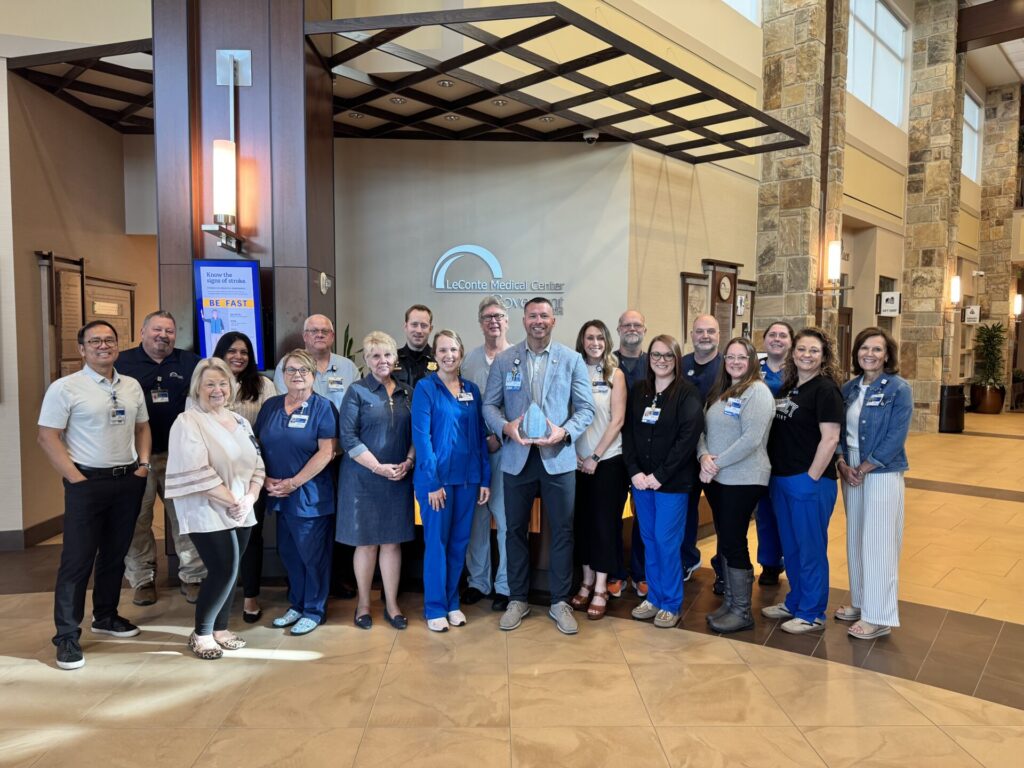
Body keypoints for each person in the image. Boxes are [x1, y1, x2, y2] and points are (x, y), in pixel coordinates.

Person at [38, 321, 151, 670]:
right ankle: (67, 636)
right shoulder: (66, 388)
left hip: (127, 479)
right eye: (95, 341)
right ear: (82, 349)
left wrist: (143, 465)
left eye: (109, 340)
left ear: (118, 346)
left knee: (115, 555)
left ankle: (106, 615)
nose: (103, 345)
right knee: (77, 560)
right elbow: (47, 437)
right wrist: (75, 478)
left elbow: (143, 426)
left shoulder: (130, 385)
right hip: (86, 482)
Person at [483, 297, 595, 635]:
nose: (538, 321)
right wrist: (505, 428)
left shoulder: (571, 360)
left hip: (558, 460)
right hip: (516, 460)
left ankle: (560, 601)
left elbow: (586, 409)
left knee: (562, 532)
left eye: (544, 316)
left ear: (553, 321)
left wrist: (565, 433)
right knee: (514, 530)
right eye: (533, 315)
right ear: (524, 320)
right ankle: (518, 598)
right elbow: (489, 406)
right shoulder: (505, 360)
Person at [165, 358, 265, 660]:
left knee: (232, 571)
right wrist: (234, 501)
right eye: (210, 384)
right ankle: (202, 633)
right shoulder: (188, 422)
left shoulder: (241, 422)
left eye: (222, 383)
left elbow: (257, 463)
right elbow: (197, 471)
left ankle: (221, 629)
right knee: (222, 569)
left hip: (242, 507)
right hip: (207, 508)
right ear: (198, 387)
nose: (217, 389)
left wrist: (249, 498)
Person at [761, 327, 843, 634]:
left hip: (809, 481)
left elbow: (831, 438)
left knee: (810, 548)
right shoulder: (789, 386)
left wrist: (811, 478)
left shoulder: (825, 390)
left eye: (813, 351)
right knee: (791, 547)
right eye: (802, 350)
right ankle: (795, 601)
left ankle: (812, 612)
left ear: (824, 357)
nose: (806, 355)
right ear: (793, 353)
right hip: (782, 480)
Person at [120, 311, 204, 606]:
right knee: (137, 520)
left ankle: (192, 576)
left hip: (179, 455)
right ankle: (142, 579)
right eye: (157, 330)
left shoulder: (190, 362)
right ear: (142, 331)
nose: (163, 336)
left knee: (185, 518)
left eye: (169, 331)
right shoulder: (122, 363)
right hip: (135, 458)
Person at [273, 314, 360, 600]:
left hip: (339, 458)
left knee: (336, 520)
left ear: (333, 337)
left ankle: (335, 579)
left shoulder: (347, 368)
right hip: (297, 463)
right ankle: (300, 586)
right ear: (304, 336)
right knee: (298, 528)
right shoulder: (286, 367)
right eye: (314, 331)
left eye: (325, 331)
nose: (320, 335)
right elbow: (279, 408)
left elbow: (355, 412)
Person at [412, 330, 491, 631]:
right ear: (435, 354)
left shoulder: (471, 389)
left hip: (468, 480)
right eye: (442, 350)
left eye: (454, 350)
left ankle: (452, 603)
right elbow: (421, 439)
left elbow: (479, 437)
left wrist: (484, 477)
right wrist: (432, 483)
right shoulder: (425, 388)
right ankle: (434, 607)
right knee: (437, 543)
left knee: (459, 544)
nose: (449, 355)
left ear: (461, 353)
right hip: (437, 483)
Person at [622, 335, 704, 629]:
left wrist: (659, 475)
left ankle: (670, 603)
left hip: (671, 483)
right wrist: (634, 472)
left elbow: (687, 441)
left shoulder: (687, 393)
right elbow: (628, 433)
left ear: (677, 359)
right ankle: (654, 597)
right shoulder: (640, 390)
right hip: (642, 482)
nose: (661, 360)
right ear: (649, 358)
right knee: (649, 540)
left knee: (667, 542)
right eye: (655, 355)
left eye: (667, 355)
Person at [836, 327, 912, 640]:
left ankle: (879, 616)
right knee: (856, 537)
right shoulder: (849, 388)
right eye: (864, 348)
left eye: (877, 349)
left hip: (880, 470)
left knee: (879, 542)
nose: (870, 354)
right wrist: (842, 463)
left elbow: (897, 435)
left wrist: (864, 467)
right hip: (851, 468)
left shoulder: (898, 388)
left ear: (887, 355)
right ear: (856, 353)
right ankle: (861, 601)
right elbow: (838, 429)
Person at [256, 350, 338, 635]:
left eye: (303, 370)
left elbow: (327, 452)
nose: (297, 375)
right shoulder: (271, 406)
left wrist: (294, 482)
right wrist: (264, 479)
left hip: (310, 497)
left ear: (313, 375)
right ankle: (298, 603)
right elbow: (256, 446)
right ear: (282, 375)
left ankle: (314, 609)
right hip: (278, 495)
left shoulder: (323, 407)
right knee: (289, 553)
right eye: (291, 370)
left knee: (312, 556)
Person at [336, 331, 415, 630]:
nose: (382, 361)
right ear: (367, 360)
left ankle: (392, 604)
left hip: (400, 476)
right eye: (375, 356)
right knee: (367, 544)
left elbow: (417, 433)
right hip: (363, 479)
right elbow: (348, 437)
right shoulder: (357, 391)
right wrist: (379, 468)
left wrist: (408, 461)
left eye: (387, 355)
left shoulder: (408, 392)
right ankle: (364, 603)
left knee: (392, 544)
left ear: (395, 358)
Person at [698, 337, 774, 633]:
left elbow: (751, 440)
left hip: (743, 478)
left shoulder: (758, 391)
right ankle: (730, 603)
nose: (736, 362)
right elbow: (702, 429)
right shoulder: (721, 391)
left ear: (753, 360)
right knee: (727, 541)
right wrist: (703, 456)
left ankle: (742, 611)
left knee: (734, 541)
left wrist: (715, 463)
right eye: (731, 357)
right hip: (718, 479)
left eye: (742, 357)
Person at [213, 331, 278, 623]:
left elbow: (274, 426)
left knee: (250, 536)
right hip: (215, 475)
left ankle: (251, 595)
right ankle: (219, 597)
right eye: (232, 351)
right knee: (217, 537)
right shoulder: (208, 383)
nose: (238, 356)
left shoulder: (263, 385)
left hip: (253, 473)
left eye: (244, 352)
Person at [570, 320, 628, 621]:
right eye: (589, 337)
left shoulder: (615, 374)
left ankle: (602, 587)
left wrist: (594, 455)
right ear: (582, 341)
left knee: (605, 526)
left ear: (607, 341)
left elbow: (617, 421)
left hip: (607, 461)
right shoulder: (573, 371)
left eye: (600, 338)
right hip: (576, 463)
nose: (595, 343)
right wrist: (578, 456)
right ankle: (587, 579)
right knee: (582, 525)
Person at [459, 296, 512, 612]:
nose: (493, 321)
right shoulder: (469, 361)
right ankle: (479, 582)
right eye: (487, 316)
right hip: (475, 453)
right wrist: (483, 438)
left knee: (506, 521)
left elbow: (525, 405)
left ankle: (505, 586)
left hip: (509, 452)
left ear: (507, 321)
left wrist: (499, 436)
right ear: (480, 323)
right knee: (477, 519)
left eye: (499, 316)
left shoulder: (520, 356)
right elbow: (464, 408)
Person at [680, 314, 722, 584]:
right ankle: (687, 559)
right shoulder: (680, 364)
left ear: (719, 335)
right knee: (685, 510)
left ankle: (723, 570)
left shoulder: (728, 365)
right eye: (699, 331)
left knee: (723, 515)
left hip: (718, 455)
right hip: (685, 453)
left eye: (711, 331)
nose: (705, 336)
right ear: (691, 334)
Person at [611, 309, 648, 600]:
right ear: (619, 329)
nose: (632, 329)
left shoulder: (654, 363)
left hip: (645, 454)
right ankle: (614, 573)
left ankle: (641, 573)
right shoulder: (606, 363)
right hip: (611, 451)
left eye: (637, 325)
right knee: (610, 515)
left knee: (643, 515)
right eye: (627, 325)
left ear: (644, 330)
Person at [755, 321, 794, 586]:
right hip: (759, 449)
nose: (777, 339)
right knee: (765, 511)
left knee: (788, 513)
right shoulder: (753, 368)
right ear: (765, 339)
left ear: (791, 341)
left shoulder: (799, 370)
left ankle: (791, 562)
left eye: (783, 335)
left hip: (790, 449)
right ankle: (770, 563)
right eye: (772, 334)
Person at [393, 304, 437, 390]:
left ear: (430, 329)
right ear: (406, 327)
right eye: (414, 324)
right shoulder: (392, 358)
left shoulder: (439, 359)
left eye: (424, 326)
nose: (419, 330)